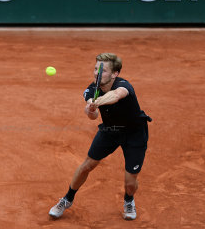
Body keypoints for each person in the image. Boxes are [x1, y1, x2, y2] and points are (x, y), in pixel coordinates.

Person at [49, 53, 151, 220]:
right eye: (96, 69)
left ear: (114, 74)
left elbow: (115, 96)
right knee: (87, 166)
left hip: (135, 134)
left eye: (102, 70)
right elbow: (93, 115)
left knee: (130, 182)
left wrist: (98, 102)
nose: (97, 73)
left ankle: (128, 200)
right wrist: (91, 108)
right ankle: (67, 199)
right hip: (109, 131)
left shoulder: (124, 86)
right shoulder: (91, 89)